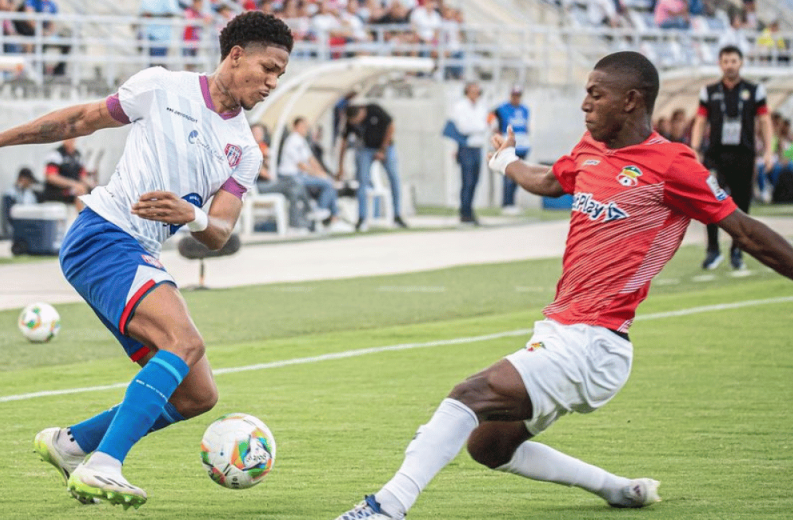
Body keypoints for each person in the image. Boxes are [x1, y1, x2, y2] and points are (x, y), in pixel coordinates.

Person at [334, 50, 793, 520]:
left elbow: (744, 229)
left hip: (597, 343)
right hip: (560, 332)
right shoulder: (589, 151)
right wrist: (506, 161)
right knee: (488, 447)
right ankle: (618, 490)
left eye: (596, 94)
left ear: (631, 100)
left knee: (469, 395)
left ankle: (385, 508)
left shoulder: (672, 164)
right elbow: (551, 181)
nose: (585, 104)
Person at [0, 11, 292, 509]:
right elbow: (79, 120)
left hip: (136, 252)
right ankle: (105, 465)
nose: (272, 82)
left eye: (281, 74)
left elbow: (218, 233)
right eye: (268, 67)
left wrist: (190, 214)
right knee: (184, 340)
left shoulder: (244, 150)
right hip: (103, 234)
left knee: (199, 396)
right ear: (235, 56)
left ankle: (71, 445)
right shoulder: (161, 87)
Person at [691, 45, 773, 270]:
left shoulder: (755, 90)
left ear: (741, 62)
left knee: (741, 206)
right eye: (725, 61)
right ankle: (713, 251)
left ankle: (737, 252)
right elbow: (700, 121)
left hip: (744, 154)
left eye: (733, 61)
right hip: (715, 156)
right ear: (720, 64)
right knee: (710, 203)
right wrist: (695, 149)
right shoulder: (708, 91)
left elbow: (765, 121)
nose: (729, 65)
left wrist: (767, 151)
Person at [338, 103, 407, 231]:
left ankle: (397, 215)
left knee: (394, 179)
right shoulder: (349, 122)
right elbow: (343, 143)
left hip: (386, 147)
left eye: (357, 121)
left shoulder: (374, 110)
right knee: (362, 181)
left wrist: (383, 149)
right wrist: (340, 166)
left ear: (361, 113)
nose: (356, 124)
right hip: (366, 149)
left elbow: (391, 126)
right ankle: (361, 218)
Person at [278, 116, 341, 228]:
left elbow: (311, 160)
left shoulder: (301, 141)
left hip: (300, 176)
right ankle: (325, 213)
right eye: (303, 126)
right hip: (291, 177)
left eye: (306, 127)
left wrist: (323, 173)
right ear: (295, 127)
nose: (306, 129)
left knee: (328, 181)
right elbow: (301, 165)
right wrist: (319, 175)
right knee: (328, 183)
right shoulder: (292, 141)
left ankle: (326, 214)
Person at [450, 82, 488, 225]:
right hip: (466, 146)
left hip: (477, 146)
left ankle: (470, 210)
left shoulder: (481, 106)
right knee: (467, 181)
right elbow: (463, 127)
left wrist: (478, 127)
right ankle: (464, 213)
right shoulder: (460, 106)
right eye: (472, 91)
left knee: (475, 181)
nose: (475, 94)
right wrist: (478, 127)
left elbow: (485, 125)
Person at [490, 84, 530, 215]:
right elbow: (490, 116)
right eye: (514, 95)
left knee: (518, 176)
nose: (516, 98)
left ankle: (512, 203)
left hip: (522, 145)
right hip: (509, 146)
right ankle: (506, 203)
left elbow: (525, 126)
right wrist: (495, 131)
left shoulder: (525, 110)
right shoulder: (502, 108)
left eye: (518, 96)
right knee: (508, 176)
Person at [41, 137, 95, 211]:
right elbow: (51, 177)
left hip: (73, 189)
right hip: (57, 191)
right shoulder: (56, 154)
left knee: (92, 192)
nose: (70, 140)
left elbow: (82, 176)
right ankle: (80, 219)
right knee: (79, 191)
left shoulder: (77, 155)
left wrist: (94, 187)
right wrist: (74, 184)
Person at [0, 167, 41, 240]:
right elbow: (7, 217)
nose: (30, 184)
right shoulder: (10, 194)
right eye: (29, 181)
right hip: (15, 232)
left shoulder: (29, 194)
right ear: (23, 179)